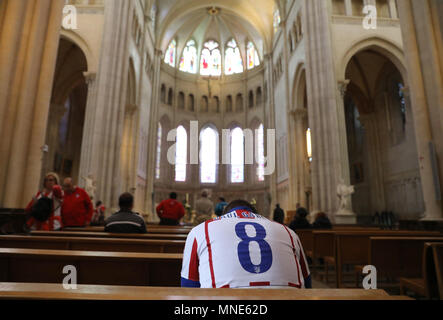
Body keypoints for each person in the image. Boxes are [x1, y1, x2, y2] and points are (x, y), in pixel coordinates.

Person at [181, 200, 311, 289]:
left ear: (225, 214)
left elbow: (189, 286)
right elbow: (308, 283)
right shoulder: (289, 231)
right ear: (255, 213)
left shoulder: (200, 230)